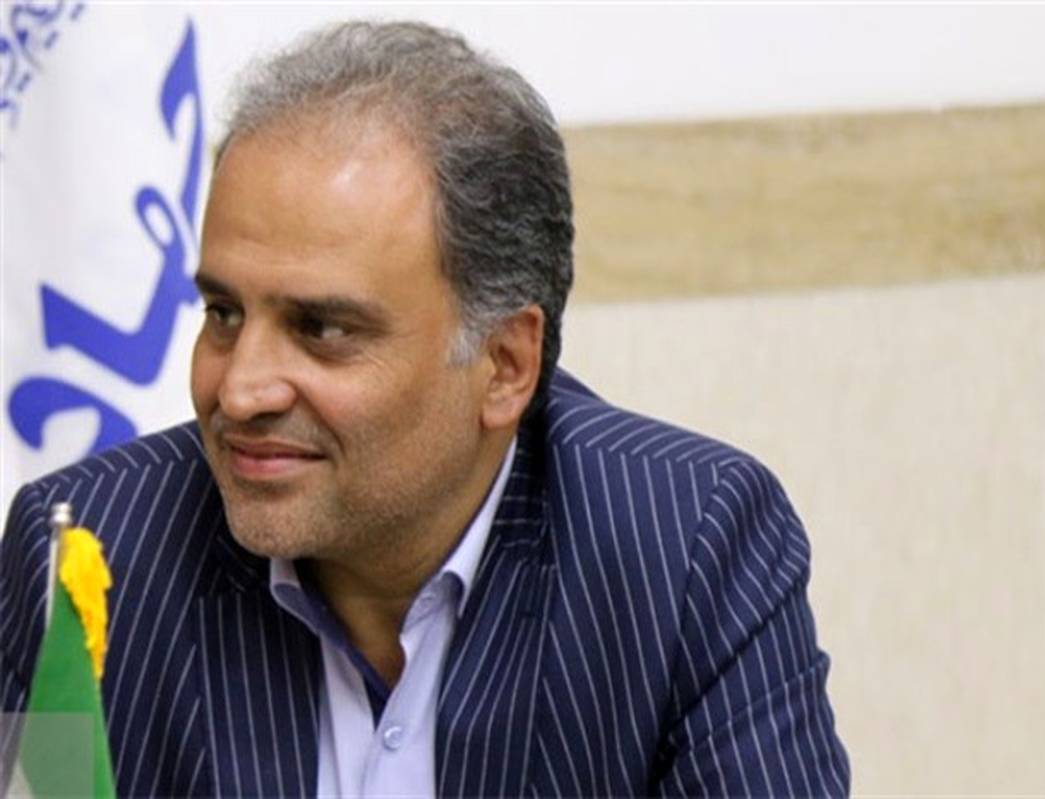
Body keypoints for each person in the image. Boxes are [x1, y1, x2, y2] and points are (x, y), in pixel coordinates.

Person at [1, 20, 850, 797]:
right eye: (224, 313)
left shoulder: (689, 549)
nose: (240, 389)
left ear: (505, 365)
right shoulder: (86, 554)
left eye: (322, 328)